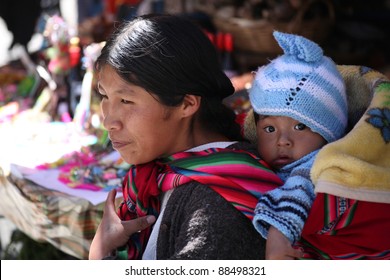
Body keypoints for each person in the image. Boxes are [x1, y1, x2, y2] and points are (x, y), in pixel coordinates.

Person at [88, 14, 284, 260]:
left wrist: (100, 256)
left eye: (126, 100)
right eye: (105, 96)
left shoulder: (217, 208)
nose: (109, 121)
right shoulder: (163, 172)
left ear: (186, 104)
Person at [247, 31, 348, 259]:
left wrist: (278, 238)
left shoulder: (318, 163)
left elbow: (297, 192)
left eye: (300, 127)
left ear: (328, 133)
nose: (283, 141)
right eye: (270, 129)